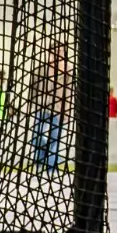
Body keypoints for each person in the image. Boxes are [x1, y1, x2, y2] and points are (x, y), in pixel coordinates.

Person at [31, 41, 68, 171]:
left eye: (60, 51)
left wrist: (66, 111)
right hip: (41, 108)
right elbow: (33, 89)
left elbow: (69, 93)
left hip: (58, 110)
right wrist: (34, 105)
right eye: (55, 51)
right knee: (35, 136)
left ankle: (51, 167)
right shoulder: (40, 70)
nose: (58, 54)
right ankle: (42, 158)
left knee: (55, 139)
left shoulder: (68, 71)